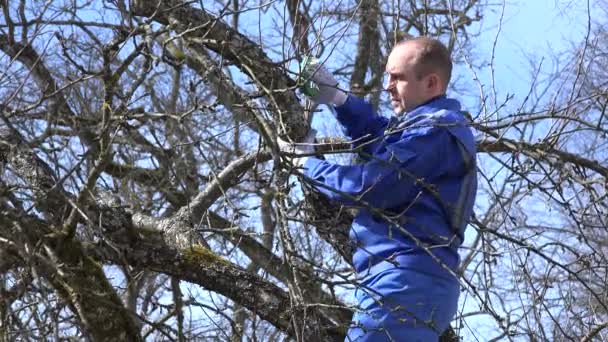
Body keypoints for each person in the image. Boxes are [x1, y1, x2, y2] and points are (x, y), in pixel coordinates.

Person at [279, 37, 477, 341]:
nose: (388, 86)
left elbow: (375, 183)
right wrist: (339, 99)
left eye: (397, 77)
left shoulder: (435, 130)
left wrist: (307, 165)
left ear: (431, 83)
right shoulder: (427, 129)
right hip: (417, 282)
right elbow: (380, 139)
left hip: (403, 281)